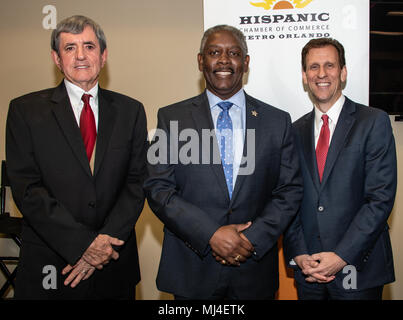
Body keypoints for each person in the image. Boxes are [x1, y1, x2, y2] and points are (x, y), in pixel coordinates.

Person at [144, 25, 303, 300]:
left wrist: (251, 240)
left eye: (234, 53)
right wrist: (211, 234)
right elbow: (158, 188)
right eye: (214, 52)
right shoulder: (170, 118)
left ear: (246, 62)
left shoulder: (278, 121)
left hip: (253, 269)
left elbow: (289, 191)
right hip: (193, 270)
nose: (224, 60)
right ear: (200, 60)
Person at [5, 15, 148, 299]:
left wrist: (102, 245)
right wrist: (83, 245)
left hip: (114, 263)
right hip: (52, 265)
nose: (80, 56)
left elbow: (137, 183)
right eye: (70, 48)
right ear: (56, 59)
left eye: (89, 46)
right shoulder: (25, 111)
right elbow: (28, 190)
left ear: (103, 55)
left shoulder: (131, 111)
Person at [283, 38, 397, 300]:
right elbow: (288, 196)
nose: (321, 74)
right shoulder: (293, 131)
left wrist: (341, 255)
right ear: (304, 76)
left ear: (343, 72)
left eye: (329, 65)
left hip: (358, 269)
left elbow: (379, 199)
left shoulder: (372, 122)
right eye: (313, 67)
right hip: (308, 271)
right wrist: (299, 252)